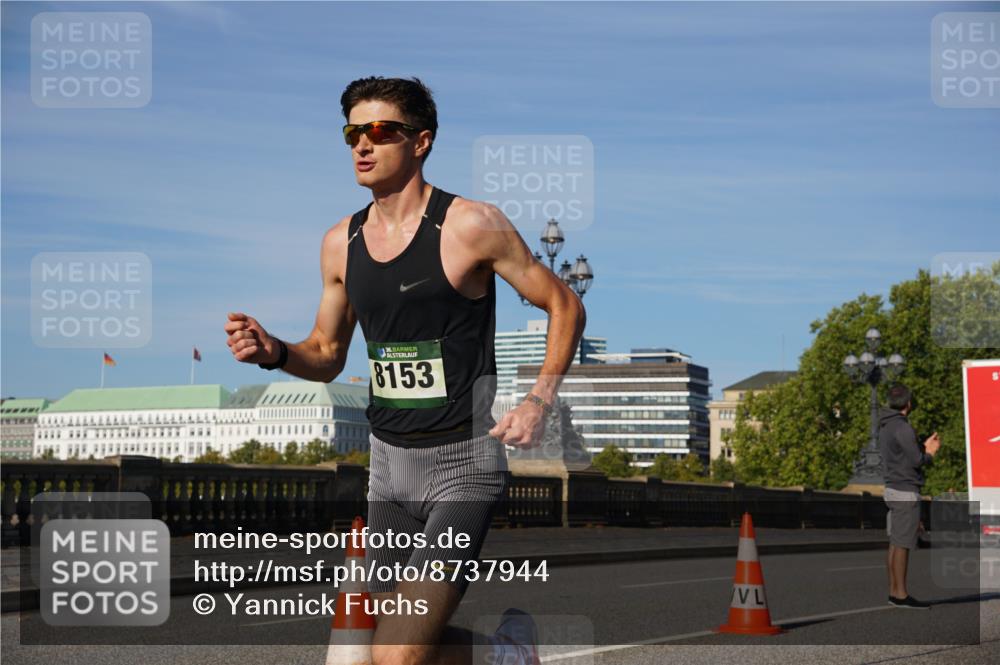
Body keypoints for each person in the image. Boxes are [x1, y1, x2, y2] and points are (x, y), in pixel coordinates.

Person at [224, 75, 585, 665]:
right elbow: (327, 352)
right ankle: (506, 653)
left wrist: (538, 401)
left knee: (396, 654)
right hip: (388, 469)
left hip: (464, 466)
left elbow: (565, 304)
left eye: (380, 130)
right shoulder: (340, 243)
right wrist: (276, 352)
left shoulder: (471, 225)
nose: (362, 144)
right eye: (352, 134)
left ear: (421, 141)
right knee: (373, 647)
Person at [879, 383, 940, 610]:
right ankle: (901, 594)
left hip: (892, 487)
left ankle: (894, 592)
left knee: (895, 543)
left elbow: (904, 455)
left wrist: (921, 447)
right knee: (903, 544)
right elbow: (916, 460)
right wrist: (930, 452)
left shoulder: (886, 426)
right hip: (906, 490)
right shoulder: (903, 427)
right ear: (909, 403)